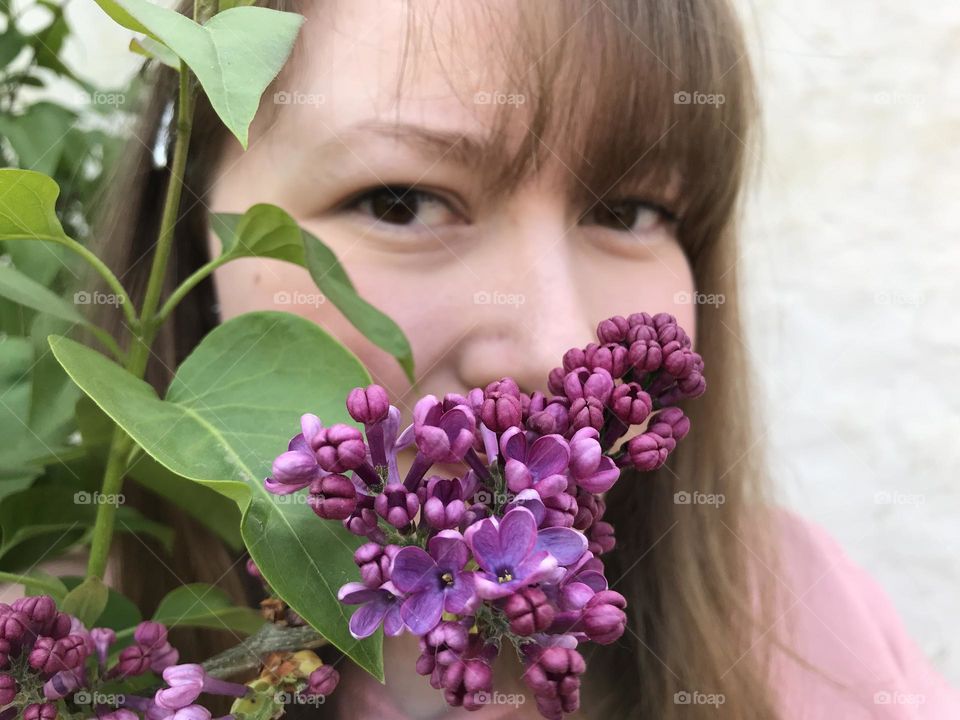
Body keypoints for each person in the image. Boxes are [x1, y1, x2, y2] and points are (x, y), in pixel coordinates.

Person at [91, 1, 958, 718]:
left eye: (627, 212)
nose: (553, 343)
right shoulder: (87, 640)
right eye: (401, 201)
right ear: (189, 221)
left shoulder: (808, 613)